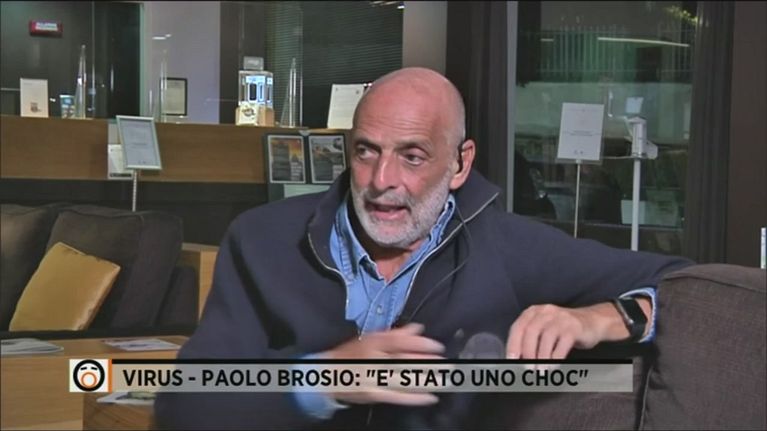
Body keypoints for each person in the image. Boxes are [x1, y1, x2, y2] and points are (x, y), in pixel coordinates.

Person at [155, 68, 692, 430]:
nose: (381, 180)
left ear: (460, 164)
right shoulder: (262, 240)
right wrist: (321, 379)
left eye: (412, 156)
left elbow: (692, 288)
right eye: (366, 152)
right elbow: (185, 405)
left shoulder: (509, 246)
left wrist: (602, 318)